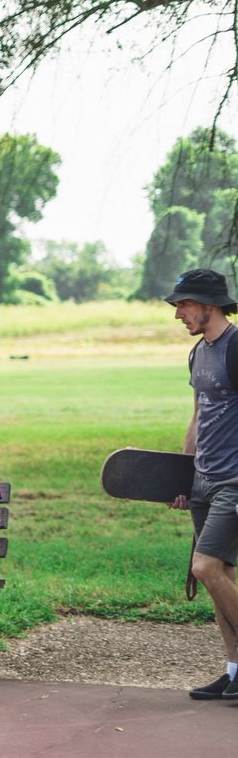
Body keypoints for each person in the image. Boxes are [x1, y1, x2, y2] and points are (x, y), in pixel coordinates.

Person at [164, 269, 238, 702]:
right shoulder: (198, 353)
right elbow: (197, 417)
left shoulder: (236, 348)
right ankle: (234, 670)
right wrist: (183, 476)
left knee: (205, 567)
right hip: (203, 480)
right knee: (220, 577)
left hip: (233, 482)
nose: (179, 314)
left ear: (209, 305)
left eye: (184, 305)